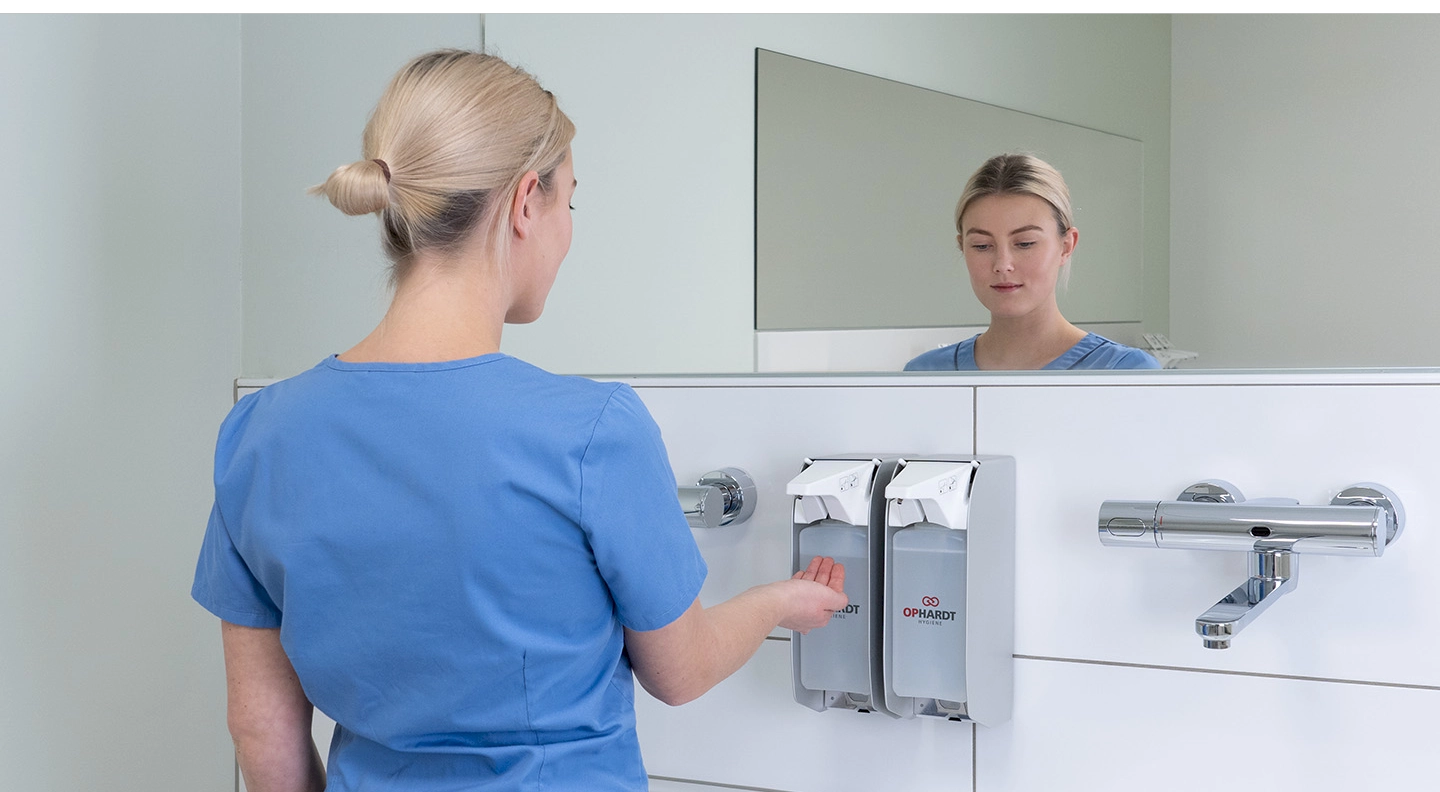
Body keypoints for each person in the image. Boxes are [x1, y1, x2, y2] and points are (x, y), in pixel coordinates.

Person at [191, 49, 847, 792]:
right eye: (570, 200)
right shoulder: (593, 431)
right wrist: (780, 601)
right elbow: (682, 669)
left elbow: (260, 724)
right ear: (525, 203)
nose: (568, 228)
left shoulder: (260, 434)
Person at [904, 153, 1160, 372]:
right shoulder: (926, 374)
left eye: (1025, 243)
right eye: (982, 246)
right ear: (962, 246)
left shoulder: (1123, 371)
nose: (1002, 264)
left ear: (1066, 245)